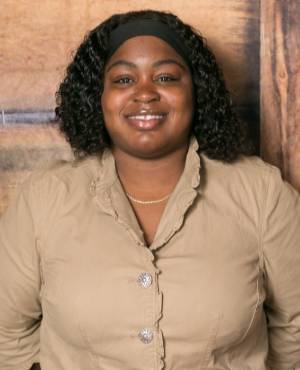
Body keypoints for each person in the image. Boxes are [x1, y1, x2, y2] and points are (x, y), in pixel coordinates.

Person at [0, 9, 299, 370]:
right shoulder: (44, 199)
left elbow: (294, 328)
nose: (144, 93)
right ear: (99, 95)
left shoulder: (262, 194)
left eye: (165, 77)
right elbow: (8, 336)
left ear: (196, 90)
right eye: (124, 79)